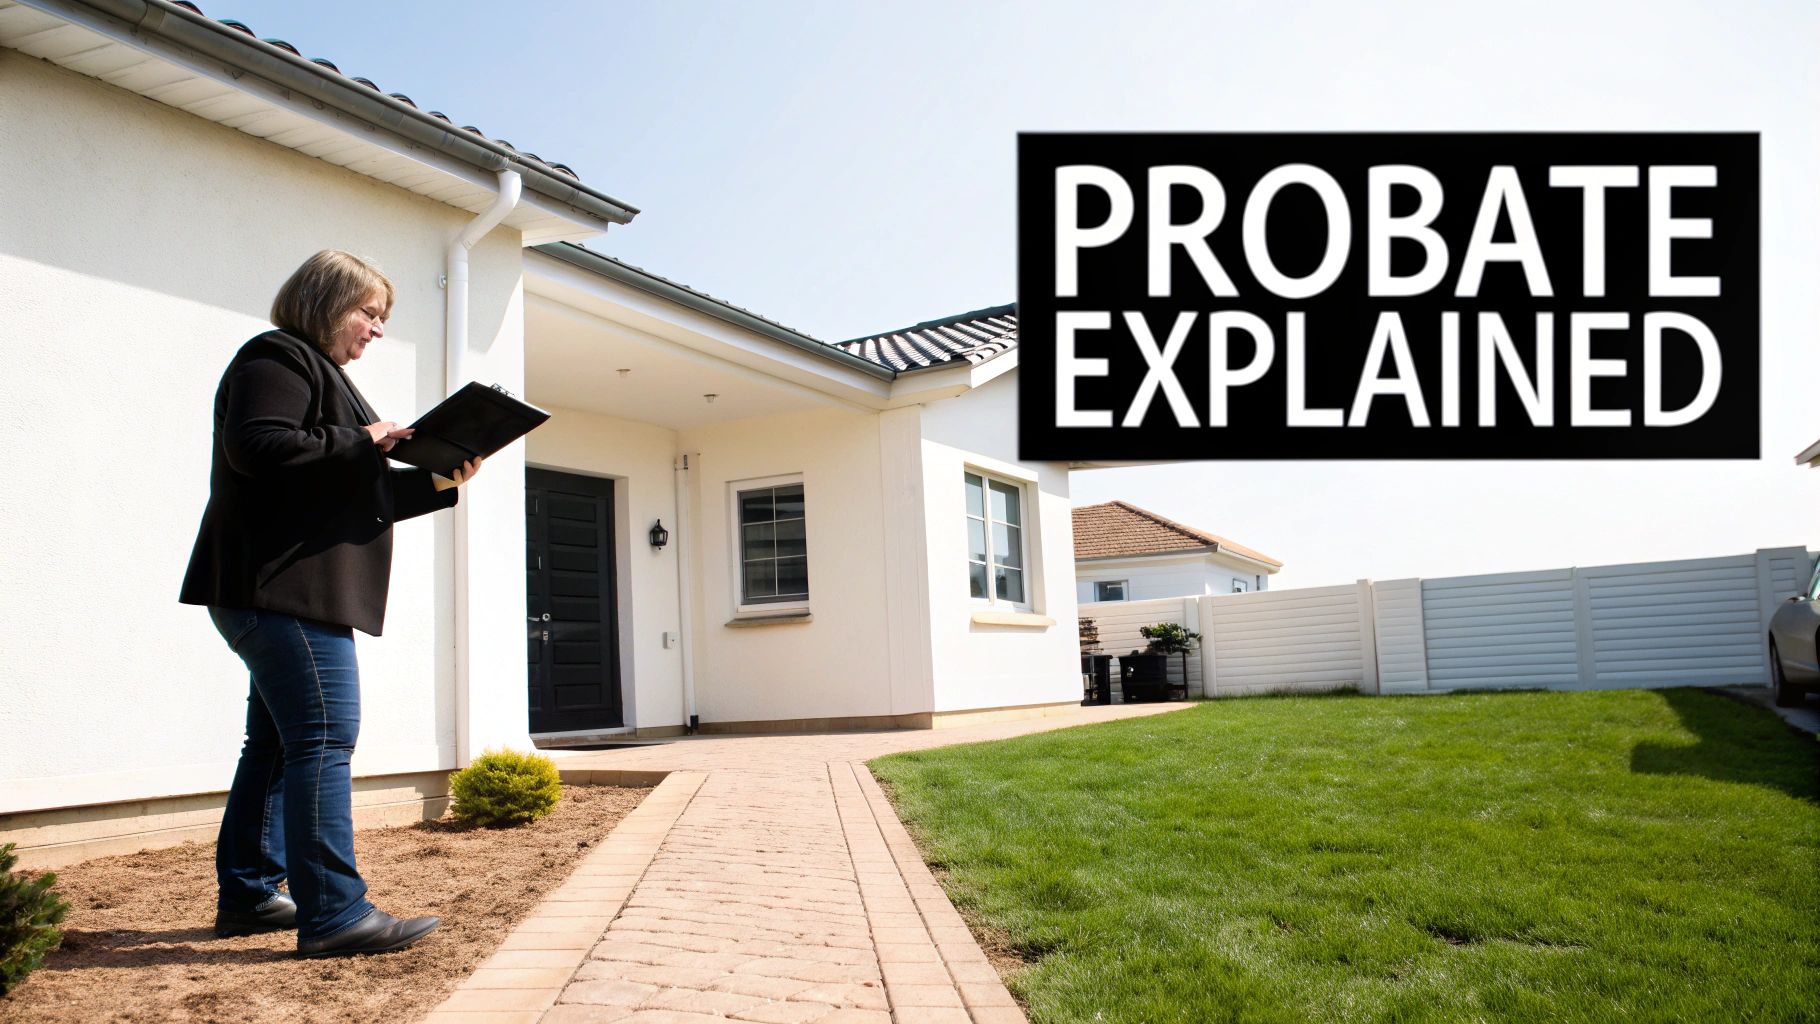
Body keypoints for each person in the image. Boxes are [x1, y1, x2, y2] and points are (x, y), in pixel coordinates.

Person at [180, 250, 481, 958]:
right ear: (324, 301)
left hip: (278, 593)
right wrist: (365, 438)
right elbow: (258, 447)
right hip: (281, 593)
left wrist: (442, 481)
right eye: (367, 312)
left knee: (280, 745)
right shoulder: (276, 357)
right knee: (323, 738)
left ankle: (252, 895)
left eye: (382, 318)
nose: (376, 330)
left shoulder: (327, 383)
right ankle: (336, 913)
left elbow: (346, 489)